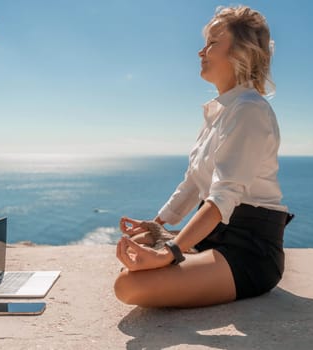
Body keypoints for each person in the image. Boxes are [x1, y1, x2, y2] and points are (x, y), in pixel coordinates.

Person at [114, 5, 293, 308]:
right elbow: (194, 183)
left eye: (212, 43)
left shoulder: (250, 110)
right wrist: (156, 226)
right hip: (214, 238)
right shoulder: (220, 111)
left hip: (249, 251)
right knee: (136, 255)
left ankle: (188, 255)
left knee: (127, 286)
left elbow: (221, 197)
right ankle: (187, 251)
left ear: (242, 53)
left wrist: (169, 251)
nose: (200, 52)